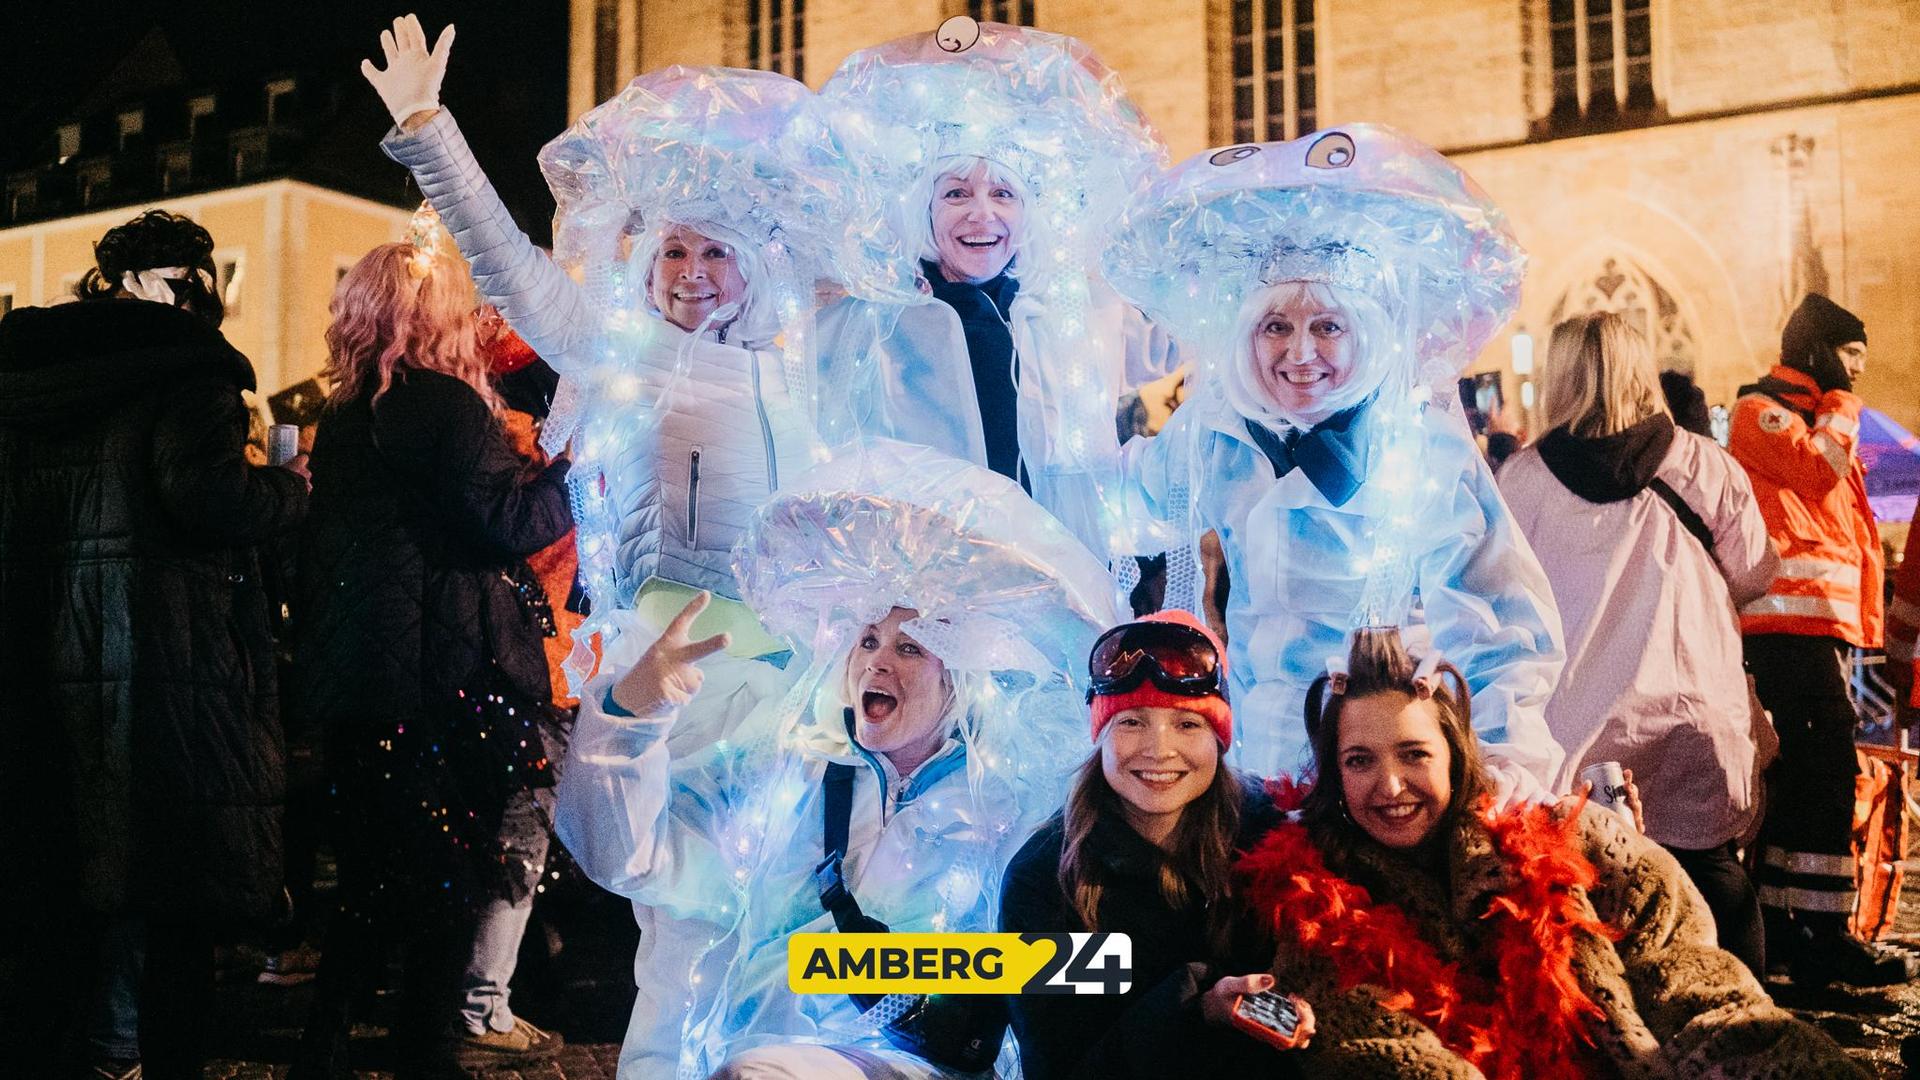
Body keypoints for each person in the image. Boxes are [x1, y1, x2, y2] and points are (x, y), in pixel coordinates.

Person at [361, 20, 885, 1067]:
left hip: (792, 685)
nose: (692, 273)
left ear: (754, 262)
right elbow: (507, 266)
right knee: (685, 924)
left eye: (715, 250)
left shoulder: (801, 370)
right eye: (673, 250)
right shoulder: (617, 349)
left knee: (793, 923)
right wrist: (428, 127)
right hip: (670, 679)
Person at [557, 441, 1116, 1078]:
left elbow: (1097, 965)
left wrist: (860, 968)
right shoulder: (784, 772)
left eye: (910, 648)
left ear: (959, 675)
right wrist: (630, 717)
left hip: (913, 1062)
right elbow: (631, 857)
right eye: (868, 640)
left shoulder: (1011, 803)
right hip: (752, 1055)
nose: (877, 662)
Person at [1104, 125, 1564, 791]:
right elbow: (1116, 507)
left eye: (1327, 327)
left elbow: (1503, 634)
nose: (1300, 354)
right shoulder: (1215, 435)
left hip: (1381, 790)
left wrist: (1500, 780)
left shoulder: (1422, 448)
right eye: (1276, 327)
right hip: (1252, 780)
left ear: (1365, 334)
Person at [1235, 627, 1868, 1079]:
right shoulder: (1314, 909)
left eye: (1414, 754)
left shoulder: (1581, 842)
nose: (1391, 785)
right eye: (1360, 761)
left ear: (1456, 754)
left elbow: (1699, 989)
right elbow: (1379, 1054)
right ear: (1335, 775)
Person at [0, 209, 310, 1080]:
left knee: (63, 882)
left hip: (40, 656)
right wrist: (288, 489)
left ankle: (88, 1051)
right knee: (173, 889)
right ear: (183, 289)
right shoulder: (190, 370)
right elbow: (209, 496)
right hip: (165, 661)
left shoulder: (27, 370)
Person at [291, 241, 574, 1079]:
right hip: (446, 677)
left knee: (370, 875)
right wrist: (570, 470)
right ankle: (423, 1051)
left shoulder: (345, 415)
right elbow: (510, 525)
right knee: (454, 879)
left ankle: (324, 1044)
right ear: (437, 314)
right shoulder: (450, 405)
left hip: (359, 676)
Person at [816, 21, 1178, 558]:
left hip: (1061, 568)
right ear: (924, 210)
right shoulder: (874, 323)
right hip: (928, 574)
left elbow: (1188, 335)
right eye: (956, 193)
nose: (981, 214)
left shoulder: (1076, 314)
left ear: (1028, 213)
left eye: (1004, 193)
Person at [1497, 312, 1778, 976]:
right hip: (1693, 710)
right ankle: (1744, 1016)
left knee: (1590, 890)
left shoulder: (1521, 481)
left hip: (1576, 725)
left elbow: (1500, 597)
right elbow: (1753, 573)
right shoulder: (1706, 466)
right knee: (1713, 873)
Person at [999, 611, 1311, 1079]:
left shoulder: (1271, 834)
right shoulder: (1046, 880)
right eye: (1132, 722)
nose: (1159, 749)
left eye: (1187, 724)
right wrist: (1198, 1008)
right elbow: (1062, 1067)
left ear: (1219, 739)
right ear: (1101, 734)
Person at [1727, 292, 1915, 985]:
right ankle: (1821, 935)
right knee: (1827, 772)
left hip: (1818, 627)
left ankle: (1789, 925)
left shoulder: (1813, 419)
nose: (1858, 368)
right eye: (1849, 352)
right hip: (1787, 627)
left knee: (1809, 776)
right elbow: (1815, 472)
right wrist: (1841, 409)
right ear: (1814, 350)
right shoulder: (1761, 411)